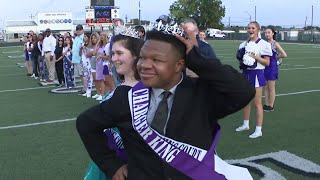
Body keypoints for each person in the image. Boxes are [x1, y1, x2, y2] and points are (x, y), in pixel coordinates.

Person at [77, 23, 255, 179]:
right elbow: (85, 123)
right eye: (143, 57)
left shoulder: (201, 95)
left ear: (179, 65)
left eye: (156, 60)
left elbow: (243, 91)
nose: (145, 65)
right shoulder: (126, 97)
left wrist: (196, 59)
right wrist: (112, 165)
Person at [83, 30, 144, 180]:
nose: (113, 58)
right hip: (110, 158)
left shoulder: (145, 89)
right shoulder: (120, 87)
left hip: (130, 163)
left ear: (136, 54)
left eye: (119, 53)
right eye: (112, 53)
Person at [235, 21, 272, 138]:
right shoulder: (243, 44)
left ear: (258, 30)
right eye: (248, 28)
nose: (250, 30)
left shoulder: (264, 44)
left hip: (256, 74)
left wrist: (255, 57)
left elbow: (267, 62)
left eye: (253, 28)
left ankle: (258, 129)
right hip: (245, 73)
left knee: (257, 103)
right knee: (245, 101)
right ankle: (246, 124)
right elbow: (241, 60)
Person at [263, 28, 287, 112]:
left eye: (268, 32)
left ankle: (271, 105)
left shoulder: (275, 44)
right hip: (265, 66)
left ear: (273, 33)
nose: (267, 34)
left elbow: (284, 54)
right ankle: (266, 104)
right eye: (265, 32)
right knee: (265, 87)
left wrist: (276, 57)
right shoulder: (264, 43)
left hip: (272, 67)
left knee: (271, 87)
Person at [72, 25, 86, 95]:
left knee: (83, 74)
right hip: (76, 59)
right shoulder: (76, 38)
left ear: (82, 30)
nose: (78, 31)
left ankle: (85, 88)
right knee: (80, 75)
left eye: (79, 29)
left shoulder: (84, 37)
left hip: (81, 59)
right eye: (77, 29)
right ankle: (84, 87)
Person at [80, 32, 93, 98]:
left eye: (85, 36)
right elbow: (80, 54)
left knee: (89, 77)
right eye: (84, 36)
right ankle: (87, 90)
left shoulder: (90, 45)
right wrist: (81, 49)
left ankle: (89, 92)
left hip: (89, 62)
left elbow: (90, 54)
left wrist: (85, 48)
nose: (84, 38)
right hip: (83, 62)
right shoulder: (83, 44)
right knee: (85, 76)